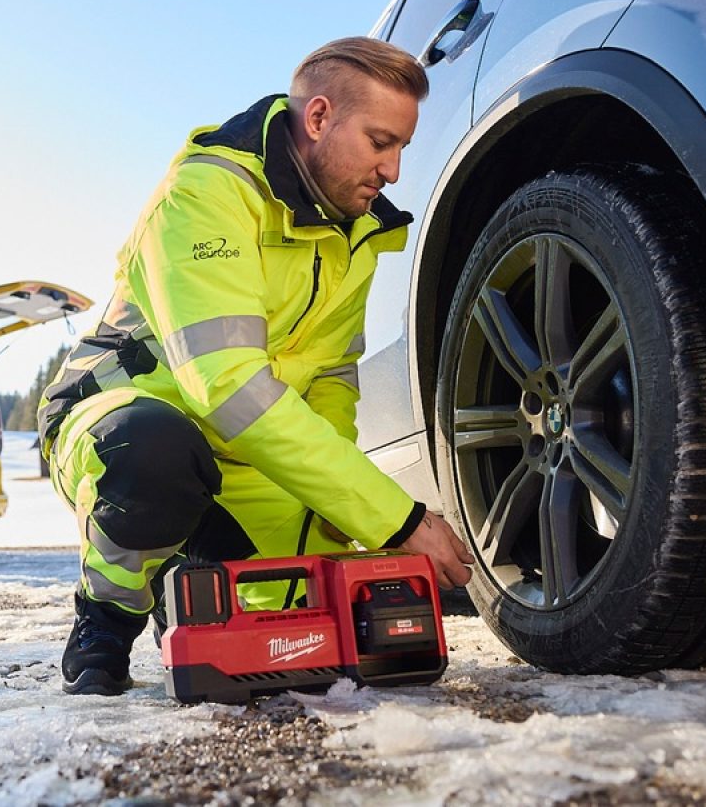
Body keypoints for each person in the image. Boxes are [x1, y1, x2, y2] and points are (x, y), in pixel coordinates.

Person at [37, 37, 474, 696]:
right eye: (381, 142)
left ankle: (183, 582)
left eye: (402, 148)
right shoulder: (204, 196)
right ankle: (107, 615)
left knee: (282, 640)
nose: (393, 171)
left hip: (247, 453)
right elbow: (226, 389)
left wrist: (343, 513)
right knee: (152, 455)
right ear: (320, 118)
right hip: (127, 419)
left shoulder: (356, 230)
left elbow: (329, 376)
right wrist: (397, 519)